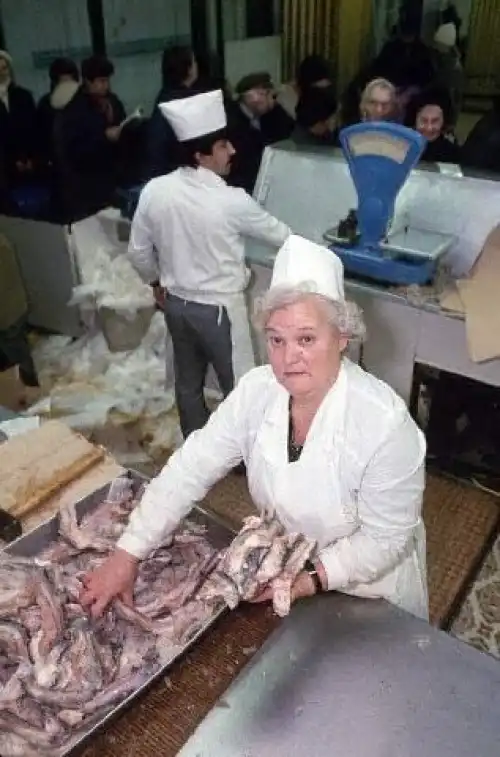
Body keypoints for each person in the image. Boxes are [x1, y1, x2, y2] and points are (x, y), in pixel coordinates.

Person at [81, 234, 428, 621]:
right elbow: (191, 467)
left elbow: (384, 540)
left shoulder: (384, 425)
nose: (289, 357)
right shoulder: (256, 392)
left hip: (369, 590)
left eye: (306, 339)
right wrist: (128, 552)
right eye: (276, 340)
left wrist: (309, 579)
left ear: (342, 337)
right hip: (287, 564)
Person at [127, 89, 290, 439]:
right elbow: (284, 236)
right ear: (200, 154)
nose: (232, 151)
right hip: (219, 311)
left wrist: (155, 282)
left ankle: (196, 448)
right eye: (222, 145)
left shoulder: (155, 190)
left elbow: (138, 253)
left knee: (188, 385)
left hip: (177, 306)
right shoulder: (231, 201)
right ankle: (244, 456)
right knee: (241, 391)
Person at [55, 55, 126, 220]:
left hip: (111, 177)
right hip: (85, 185)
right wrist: (103, 137)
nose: (106, 86)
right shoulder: (75, 110)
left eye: (107, 80)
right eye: (101, 81)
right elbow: (73, 150)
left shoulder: (112, 101)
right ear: (88, 81)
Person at [226, 72, 294, 194]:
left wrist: (277, 109)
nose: (273, 101)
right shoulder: (232, 121)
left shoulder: (269, 114)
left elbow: (289, 131)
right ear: (252, 97)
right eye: (269, 95)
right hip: (242, 186)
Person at [142, 45, 200, 181]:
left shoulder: (164, 96)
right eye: (194, 62)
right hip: (178, 173)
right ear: (189, 69)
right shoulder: (185, 101)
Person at [0, 50, 37, 185]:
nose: (2, 73)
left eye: (4, 68)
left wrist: (30, 158)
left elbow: (33, 128)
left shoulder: (23, 96)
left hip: (28, 163)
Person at [36, 57, 79, 168]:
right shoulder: (46, 104)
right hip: (56, 162)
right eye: (63, 82)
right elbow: (41, 135)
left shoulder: (84, 101)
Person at [406, 87, 461, 164]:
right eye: (424, 120)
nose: (429, 128)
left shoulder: (453, 153)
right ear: (415, 120)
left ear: (444, 121)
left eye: (435, 121)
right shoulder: (401, 147)